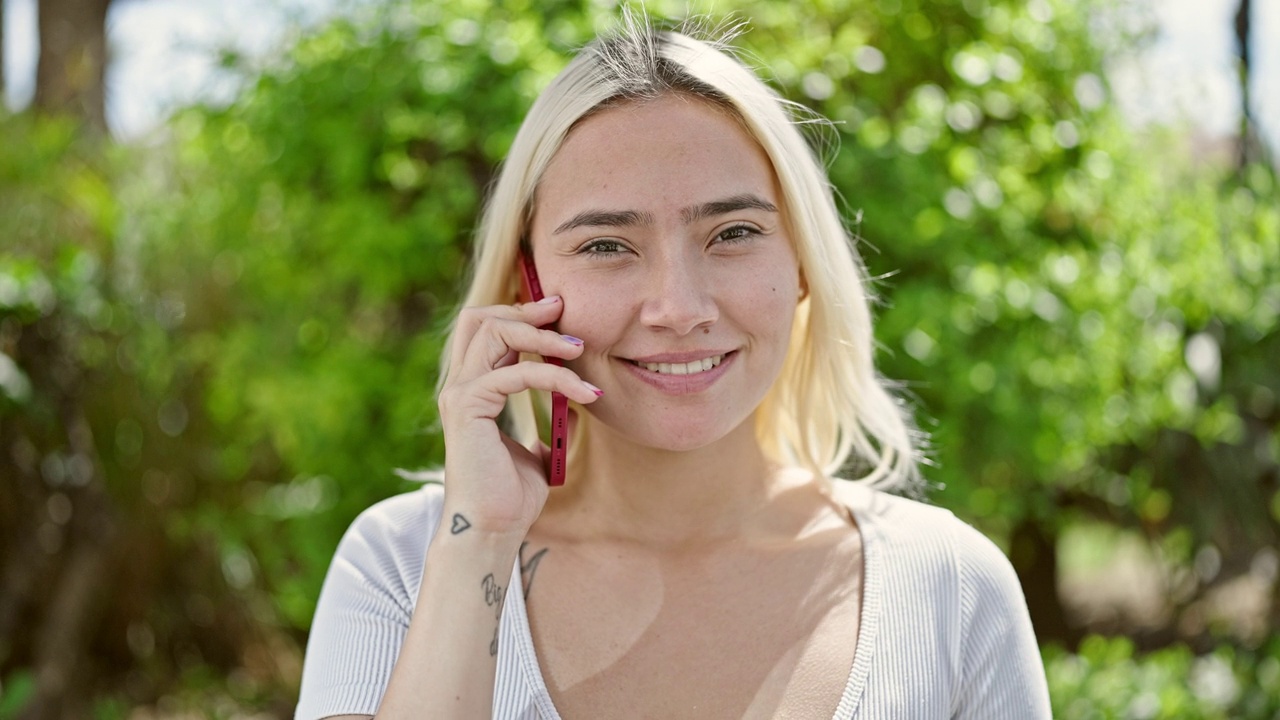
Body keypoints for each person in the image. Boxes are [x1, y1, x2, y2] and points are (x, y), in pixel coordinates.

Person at [295, 12, 1051, 720]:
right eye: (605, 246)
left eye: (732, 233)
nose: (678, 307)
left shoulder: (949, 586)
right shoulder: (403, 564)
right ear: (526, 286)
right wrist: (478, 543)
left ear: (801, 265)